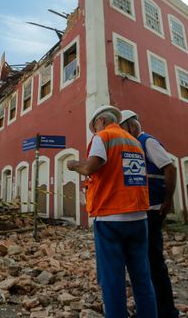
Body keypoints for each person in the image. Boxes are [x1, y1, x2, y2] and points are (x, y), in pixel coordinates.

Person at [67, 105, 157, 318]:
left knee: (112, 280)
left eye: (95, 126)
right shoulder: (134, 141)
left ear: (101, 121)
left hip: (111, 218)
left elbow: (91, 167)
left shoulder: (103, 136)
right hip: (139, 217)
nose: (95, 130)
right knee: (142, 278)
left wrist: (73, 165)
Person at [120, 110, 179, 318]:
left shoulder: (147, 142)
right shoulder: (132, 146)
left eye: (122, 128)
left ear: (132, 126)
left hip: (154, 211)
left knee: (154, 262)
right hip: (142, 212)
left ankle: (167, 311)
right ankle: (150, 309)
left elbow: (170, 168)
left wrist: (168, 200)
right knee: (142, 262)